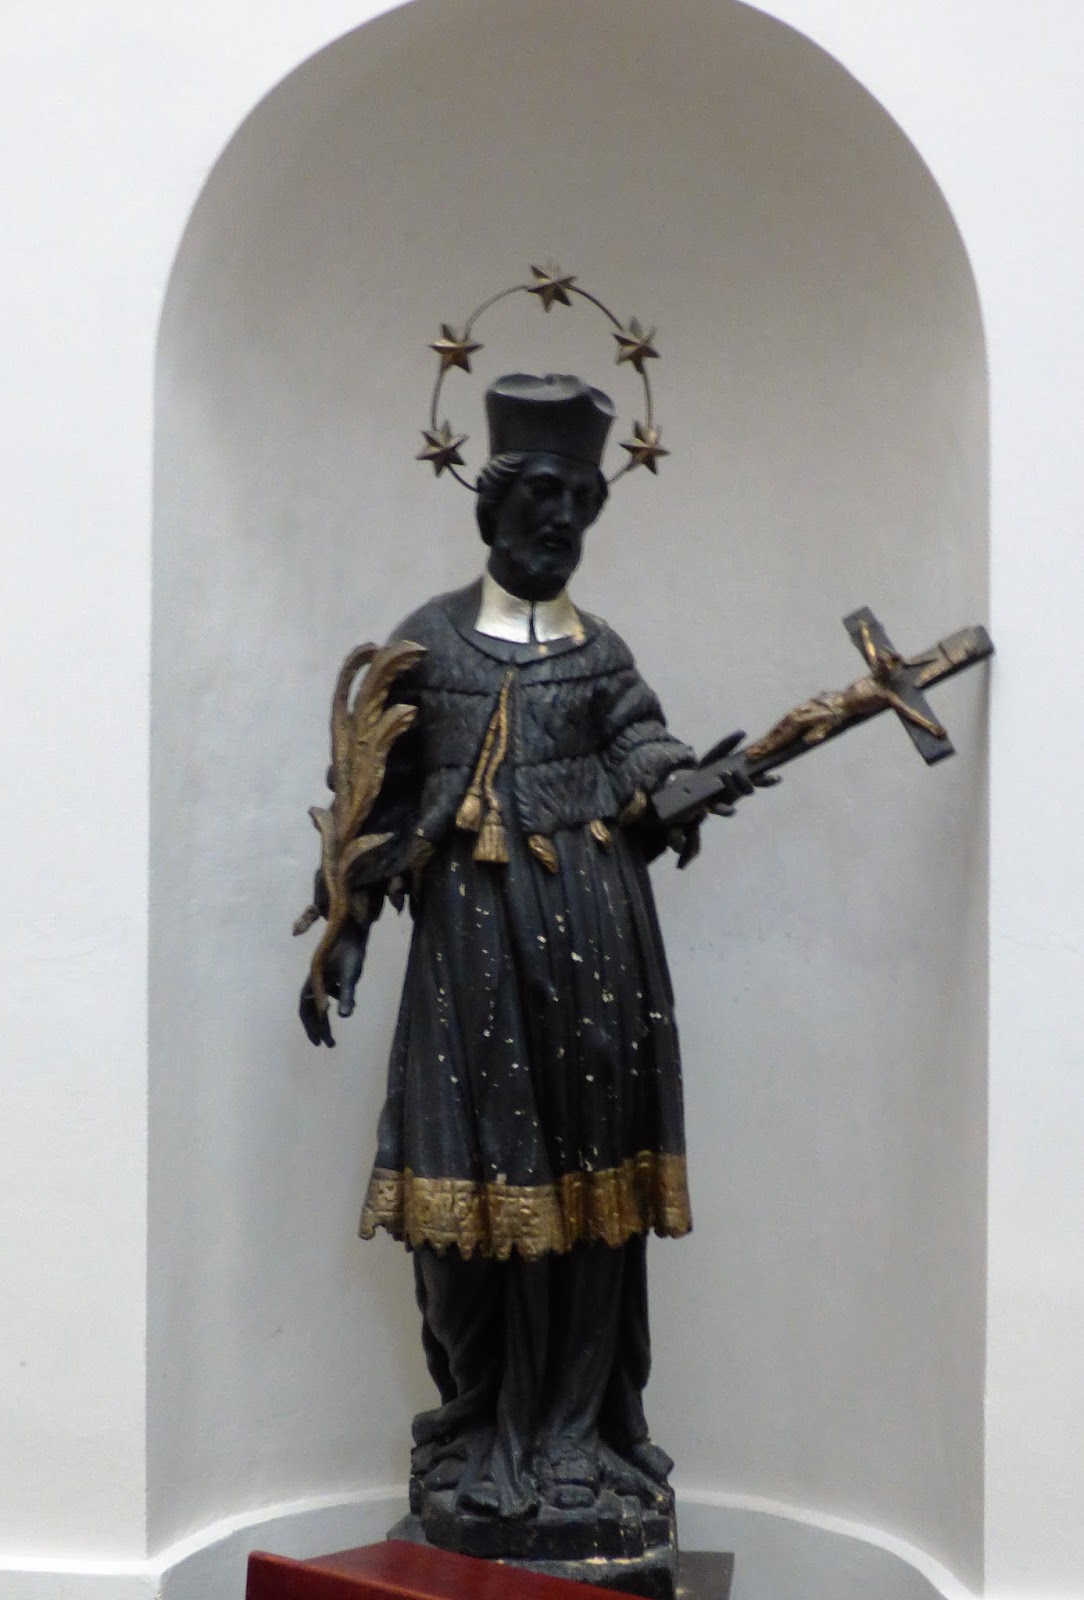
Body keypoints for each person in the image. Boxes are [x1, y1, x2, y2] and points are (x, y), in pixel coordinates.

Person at [299, 373, 749, 1538]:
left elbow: (642, 745)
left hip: (598, 946)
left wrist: (679, 779)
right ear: (490, 502)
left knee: (590, 1200)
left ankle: (573, 1432)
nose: (559, 518)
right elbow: (375, 801)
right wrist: (346, 931)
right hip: (470, 955)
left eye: (579, 500)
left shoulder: (601, 651)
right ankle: (479, 1418)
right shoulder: (428, 641)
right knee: (462, 1213)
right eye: (541, 493)